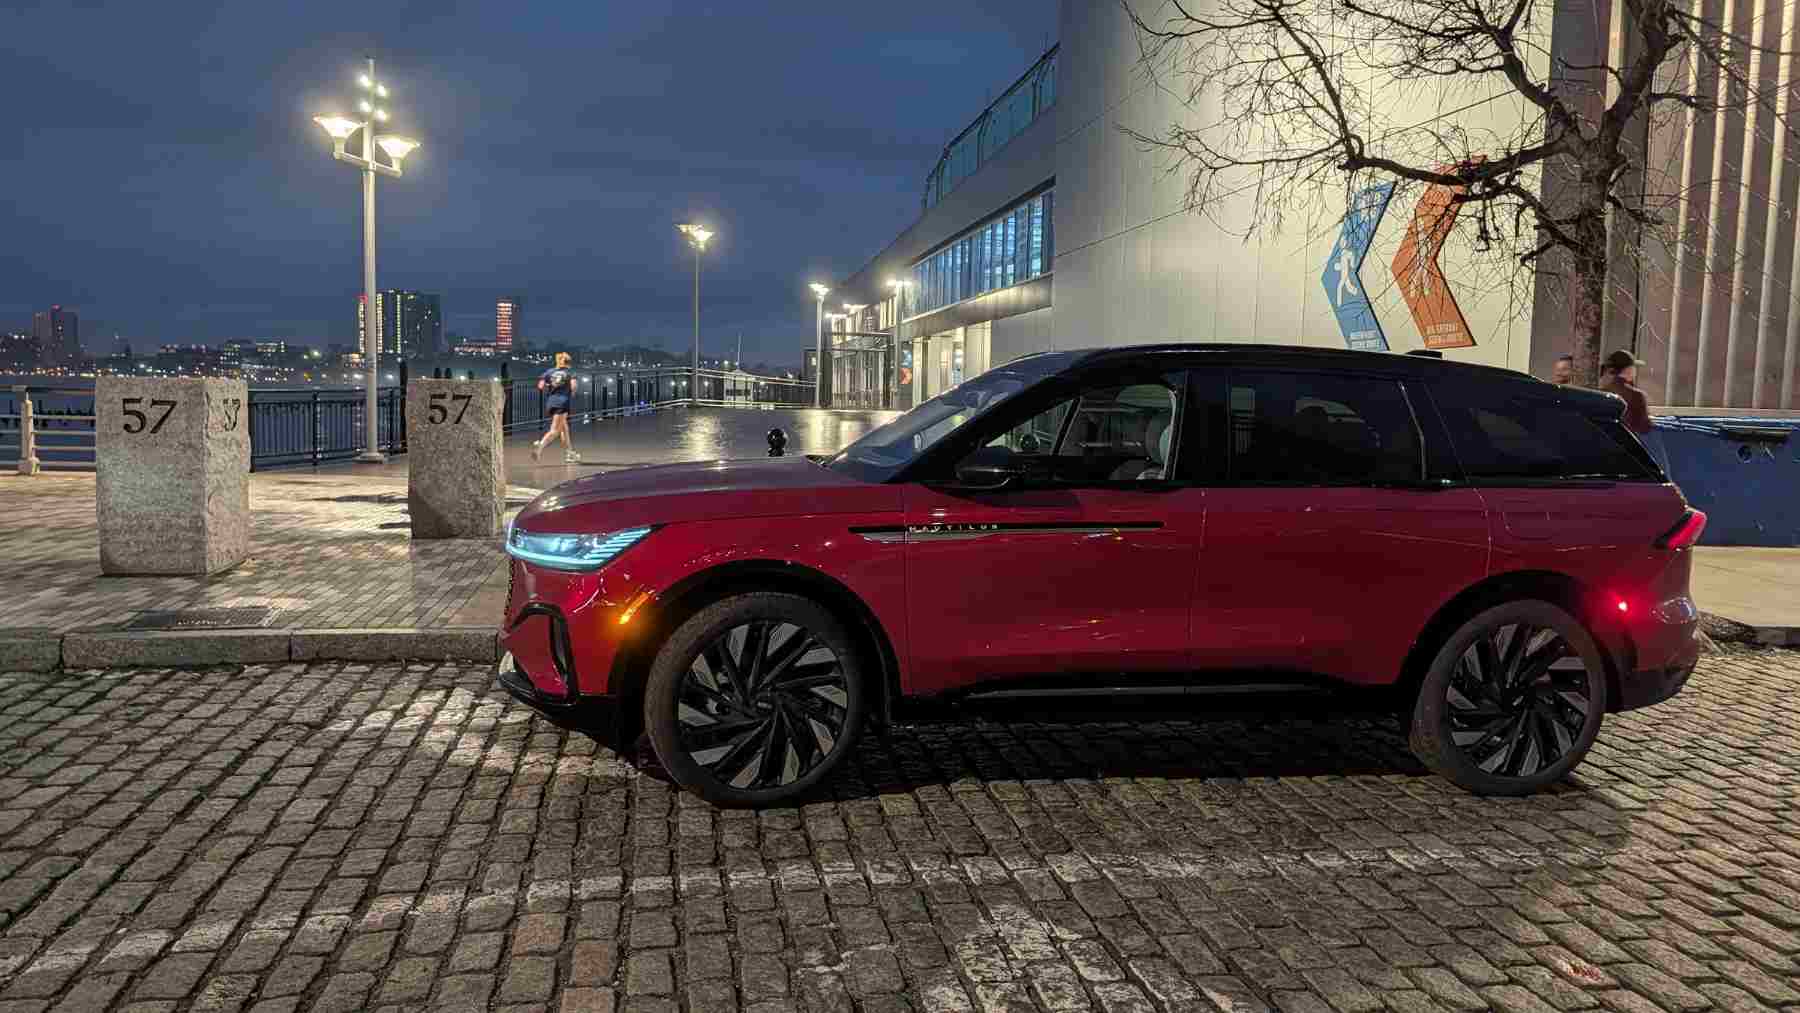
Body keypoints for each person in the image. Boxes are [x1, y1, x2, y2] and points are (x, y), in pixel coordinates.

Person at [531, 352, 580, 463]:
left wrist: (552, 387)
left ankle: (570, 453)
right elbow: (573, 387)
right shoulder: (570, 372)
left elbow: (540, 386)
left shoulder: (549, 372)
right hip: (562, 403)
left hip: (551, 402)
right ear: (568, 362)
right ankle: (540, 447)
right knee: (555, 431)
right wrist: (570, 393)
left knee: (564, 429)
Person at [1599, 348, 1654, 436]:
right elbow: (1645, 428)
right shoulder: (1637, 395)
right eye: (1634, 367)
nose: (1635, 371)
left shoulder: (1602, 392)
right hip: (1625, 444)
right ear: (1629, 369)